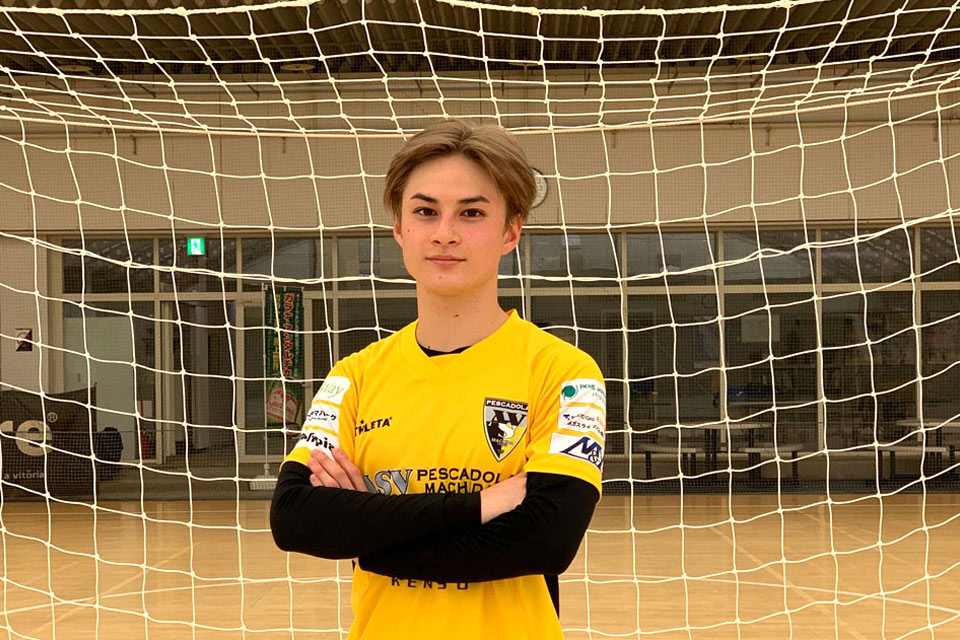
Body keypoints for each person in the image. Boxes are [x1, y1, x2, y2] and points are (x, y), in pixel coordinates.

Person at [270, 118, 606, 640]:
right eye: (425, 211)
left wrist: (367, 534)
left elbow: (546, 539)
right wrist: (480, 506)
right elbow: (295, 518)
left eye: (471, 213)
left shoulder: (564, 372)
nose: (444, 232)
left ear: (510, 232)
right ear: (399, 229)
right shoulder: (355, 376)